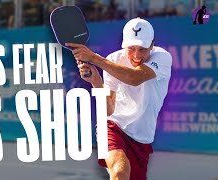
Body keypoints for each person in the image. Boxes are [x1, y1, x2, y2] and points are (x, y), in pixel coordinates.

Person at [66, 17, 172, 180]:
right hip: (112, 126)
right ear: (124, 44)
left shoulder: (162, 58)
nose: (136, 55)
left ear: (152, 45)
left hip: (142, 139)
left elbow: (134, 78)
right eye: (131, 48)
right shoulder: (113, 60)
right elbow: (108, 110)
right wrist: (96, 81)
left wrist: (94, 58)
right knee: (120, 171)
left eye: (143, 49)